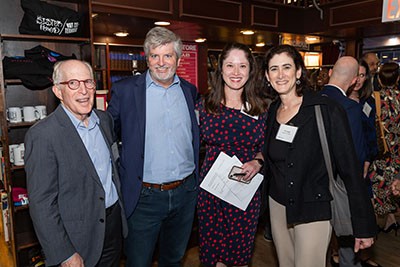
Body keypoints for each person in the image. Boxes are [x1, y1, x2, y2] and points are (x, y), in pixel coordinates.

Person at [261, 45, 376, 267]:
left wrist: (364, 226)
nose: (280, 74)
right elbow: (272, 159)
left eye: (287, 67)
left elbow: (351, 169)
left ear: (297, 72)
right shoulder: (273, 110)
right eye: (274, 69)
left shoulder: (325, 109)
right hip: (278, 207)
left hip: (313, 206)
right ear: (267, 76)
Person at [107, 26, 200, 267]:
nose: (161, 63)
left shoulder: (190, 92)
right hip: (143, 197)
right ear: (146, 58)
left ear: (178, 59)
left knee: (174, 259)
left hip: (185, 193)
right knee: (138, 262)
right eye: (154, 56)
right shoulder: (125, 91)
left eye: (167, 55)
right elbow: (107, 135)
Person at [25, 59, 127, 267]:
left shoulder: (104, 120)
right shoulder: (43, 135)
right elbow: (42, 203)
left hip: (113, 226)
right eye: (73, 83)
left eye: (88, 82)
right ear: (58, 91)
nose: (84, 90)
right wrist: (64, 253)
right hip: (77, 239)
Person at [197, 42, 268, 267]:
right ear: (221, 69)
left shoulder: (262, 107)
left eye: (242, 66)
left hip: (244, 191)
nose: (236, 73)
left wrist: (258, 162)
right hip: (212, 191)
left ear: (251, 70)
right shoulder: (204, 106)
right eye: (230, 65)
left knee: (240, 256)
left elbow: (268, 149)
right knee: (212, 255)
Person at [321, 56, 374, 267]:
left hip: (315, 181)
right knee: (347, 232)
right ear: (353, 81)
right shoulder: (349, 107)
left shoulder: (311, 99)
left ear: (329, 73)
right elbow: (355, 152)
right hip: (341, 180)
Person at [347, 59, 381, 267]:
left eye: (362, 75)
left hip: (364, 164)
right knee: (343, 211)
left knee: (364, 209)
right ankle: (339, 251)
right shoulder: (339, 101)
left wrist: (368, 160)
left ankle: (363, 255)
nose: (358, 79)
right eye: (355, 74)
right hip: (344, 163)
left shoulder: (368, 101)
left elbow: (371, 135)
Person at [369, 62, 400, 235]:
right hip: (397, 152)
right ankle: (391, 220)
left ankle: (374, 229)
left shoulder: (375, 99)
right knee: (393, 187)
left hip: (382, 151)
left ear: (379, 80)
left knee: (378, 188)